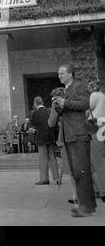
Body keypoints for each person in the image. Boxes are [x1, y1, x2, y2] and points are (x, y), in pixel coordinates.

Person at [54, 64, 96, 217]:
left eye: (62, 73)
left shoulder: (79, 86)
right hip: (70, 135)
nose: (59, 76)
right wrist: (59, 106)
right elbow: (69, 110)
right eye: (58, 74)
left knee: (81, 172)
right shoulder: (66, 90)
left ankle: (85, 208)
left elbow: (85, 104)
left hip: (78, 135)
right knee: (77, 173)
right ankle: (86, 205)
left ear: (70, 74)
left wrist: (66, 103)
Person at [48, 87, 78, 207]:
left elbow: (51, 122)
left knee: (72, 169)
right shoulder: (73, 102)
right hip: (80, 135)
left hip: (66, 137)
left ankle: (77, 195)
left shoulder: (57, 104)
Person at [30, 96, 59, 185]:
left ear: (35, 103)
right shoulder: (49, 111)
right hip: (50, 138)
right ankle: (57, 178)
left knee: (43, 159)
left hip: (41, 139)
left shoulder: (35, 113)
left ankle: (44, 179)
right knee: (52, 158)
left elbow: (33, 125)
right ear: (42, 102)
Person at [87, 80, 105, 202]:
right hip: (102, 125)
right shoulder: (103, 95)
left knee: (96, 160)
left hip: (95, 126)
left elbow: (87, 107)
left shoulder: (94, 95)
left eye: (89, 86)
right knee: (100, 157)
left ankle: (100, 189)